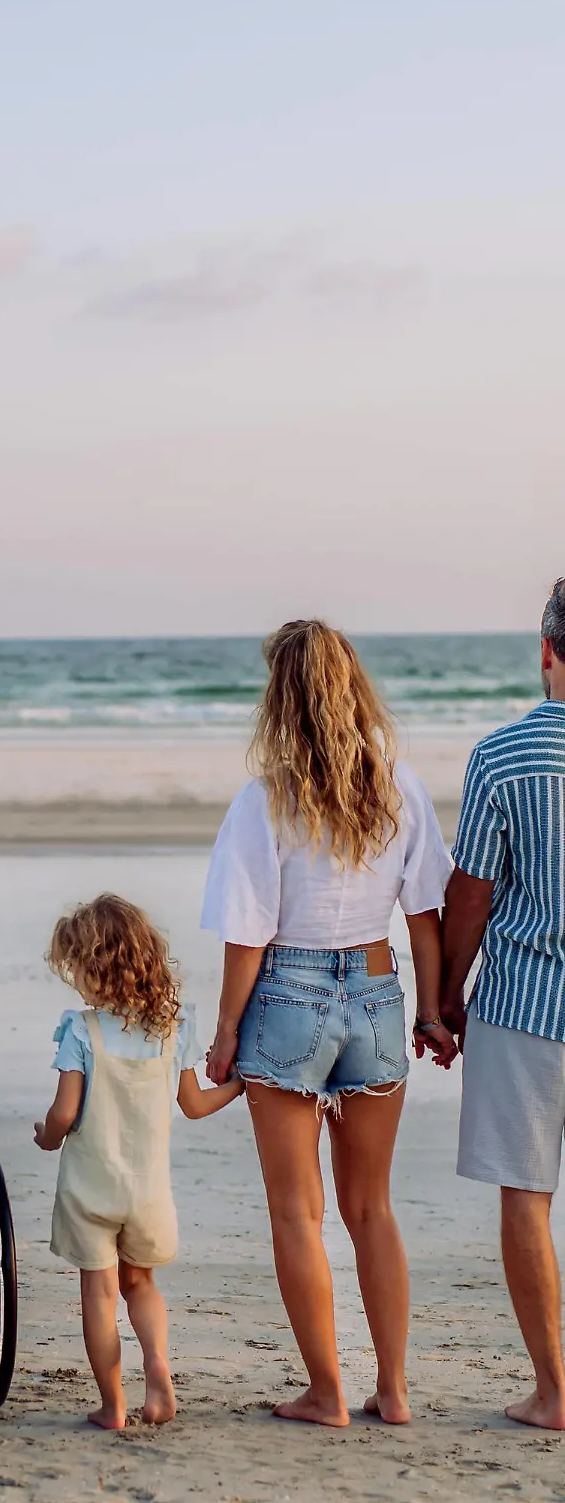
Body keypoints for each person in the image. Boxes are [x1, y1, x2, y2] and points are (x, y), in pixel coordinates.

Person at [202, 620, 456, 1427]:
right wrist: (432, 1010)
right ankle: (394, 1388)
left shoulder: (264, 799)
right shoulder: (398, 785)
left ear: (281, 700)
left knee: (295, 1211)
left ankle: (325, 1392)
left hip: (287, 994)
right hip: (377, 991)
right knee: (372, 1206)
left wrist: (224, 1033)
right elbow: (424, 915)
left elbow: (249, 933)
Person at [33, 894, 243, 1430]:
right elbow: (193, 1106)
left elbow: (65, 1111)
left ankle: (112, 1405)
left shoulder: (81, 1030)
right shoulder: (171, 1031)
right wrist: (240, 1086)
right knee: (141, 1285)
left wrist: (47, 1138)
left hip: (89, 1188)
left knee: (100, 1295)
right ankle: (157, 1367)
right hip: (148, 1193)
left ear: (93, 968)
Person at [440, 578, 565, 1430]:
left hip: (524, 1004)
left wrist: (445, 997)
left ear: (549, 651)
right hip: (523, 1007)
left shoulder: (504, 755)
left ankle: (556, 1393)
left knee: (525, 1193)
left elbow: (471, 895)